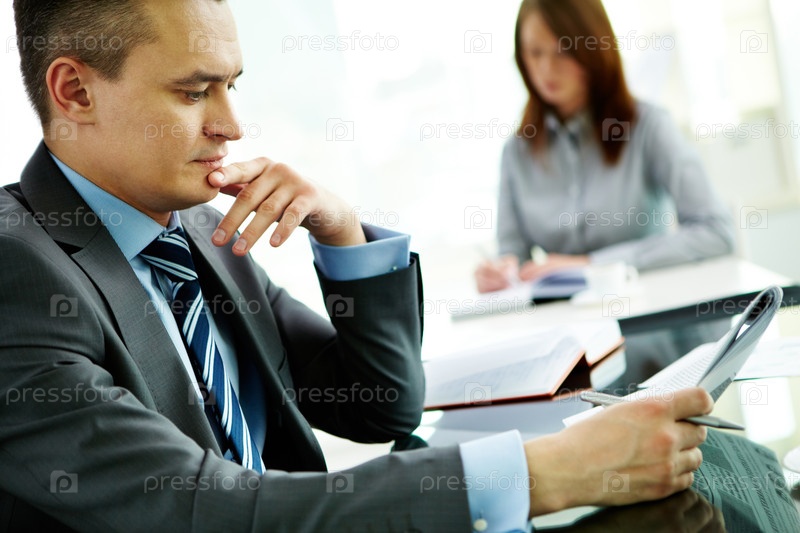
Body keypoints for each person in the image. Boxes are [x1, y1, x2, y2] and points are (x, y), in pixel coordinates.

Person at [1, 0, 713, 531]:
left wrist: (343, 231)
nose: (232, 126)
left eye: (231, 86)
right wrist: (546, 473)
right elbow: (204, 508)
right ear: (75, 92)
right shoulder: (17, 272)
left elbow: (378, 407)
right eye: (194, 92)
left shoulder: (199, 231)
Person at [475, 0, 736, 293]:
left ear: (595, 49)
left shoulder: (648, 127)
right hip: (568, 320)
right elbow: (513, 258)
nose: (546, 69)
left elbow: (716, 233)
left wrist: (593, 265)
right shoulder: (516, 152)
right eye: (535, 53)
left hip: (650, 311)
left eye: (563, 51)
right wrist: (500, 274)